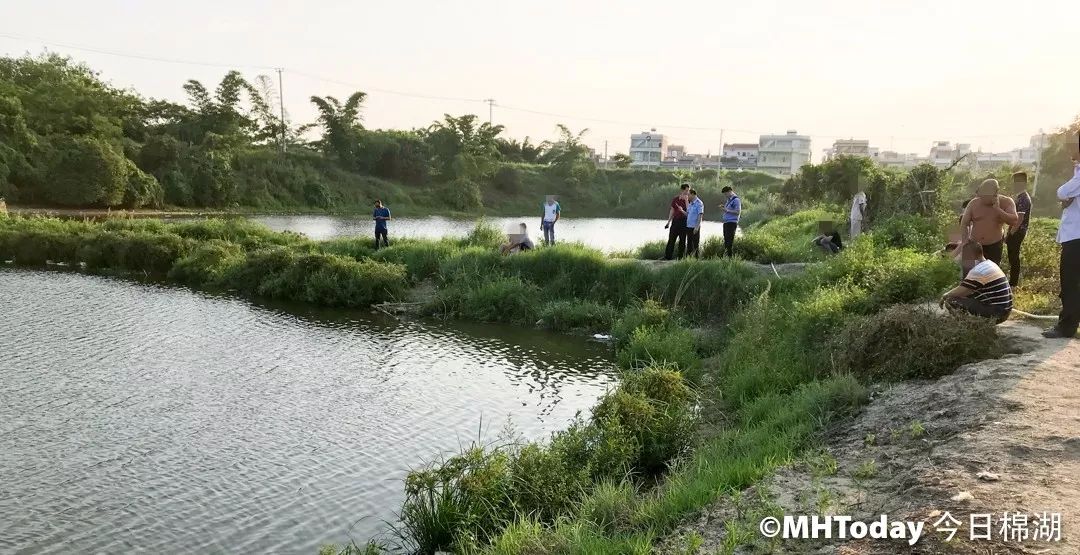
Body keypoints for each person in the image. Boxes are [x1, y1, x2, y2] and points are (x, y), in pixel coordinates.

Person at [1042, 134, 1080, 339]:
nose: (1069, 150)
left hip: (1076, 237)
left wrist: (1065, 196)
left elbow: (1062, 192)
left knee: (1070, 282)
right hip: (1075, 235)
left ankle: (1067, 326)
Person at [939, 241, 1013, 324]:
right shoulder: (989, 264)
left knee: (950, 300)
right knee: (964, 297)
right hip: (1004, 311)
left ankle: (968, 325)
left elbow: (962, 290)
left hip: (996, 312)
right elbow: (968, 292)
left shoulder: (979, 270)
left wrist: (944, 296)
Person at [959, 178, 1020, 265]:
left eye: (984, 196)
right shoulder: (973, 203)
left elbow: (1014, 221)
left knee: (990, 274)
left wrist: (998, 209)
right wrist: (965, 242)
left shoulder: (1006, 202)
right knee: (972, 274)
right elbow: (964, 223)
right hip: (975, 246)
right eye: (980, 195)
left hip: (993, 246)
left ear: (995, 194)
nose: (981, 198)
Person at [1005, 171, 1032, 287]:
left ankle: (1013, 283)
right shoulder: (1020, 197)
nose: (1014, 184)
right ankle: (1012, 282)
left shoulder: (1023, 198)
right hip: (1016, 230)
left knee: (1014, 257)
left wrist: (1011, 233)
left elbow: (1019, 219)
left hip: (1018, 231)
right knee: (1012, 256)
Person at [664, 183, 691, 260]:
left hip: (684, 221)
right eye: (686, 190)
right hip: (675, 221)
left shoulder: (689, 199)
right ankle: (668, 256)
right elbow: (672, 210)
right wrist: (668, 222)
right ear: (682, 190)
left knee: (682, 240)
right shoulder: (675, 199)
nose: (687, 192)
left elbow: (689, 210)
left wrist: (686, 200)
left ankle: (680, 257)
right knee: (671, 239)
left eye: (688, 191)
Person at [719, 186, 741, 258]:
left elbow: (738, 212)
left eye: (725, 194)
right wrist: (724, 207)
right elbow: (728, 209)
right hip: (726, 222)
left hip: (732, 223)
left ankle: (730, 259)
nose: (725, 196)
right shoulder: (729, 200)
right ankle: (726, 258)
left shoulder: (736, 200)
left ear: (729, 192)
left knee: (729, 242)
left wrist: (727, 210)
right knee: (726, 241)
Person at [684, 188, 705, 258]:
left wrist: (697, 227)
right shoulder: (690, 203)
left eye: (689, 195)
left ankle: (696, 260)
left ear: (693, 194)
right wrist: (681, 210)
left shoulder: (699, 203)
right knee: (689, 244)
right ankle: (688, 259)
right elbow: (688, 214)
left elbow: (700, 215)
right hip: (689, 226)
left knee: (695, 244)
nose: (688, 196)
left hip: (694, 227)